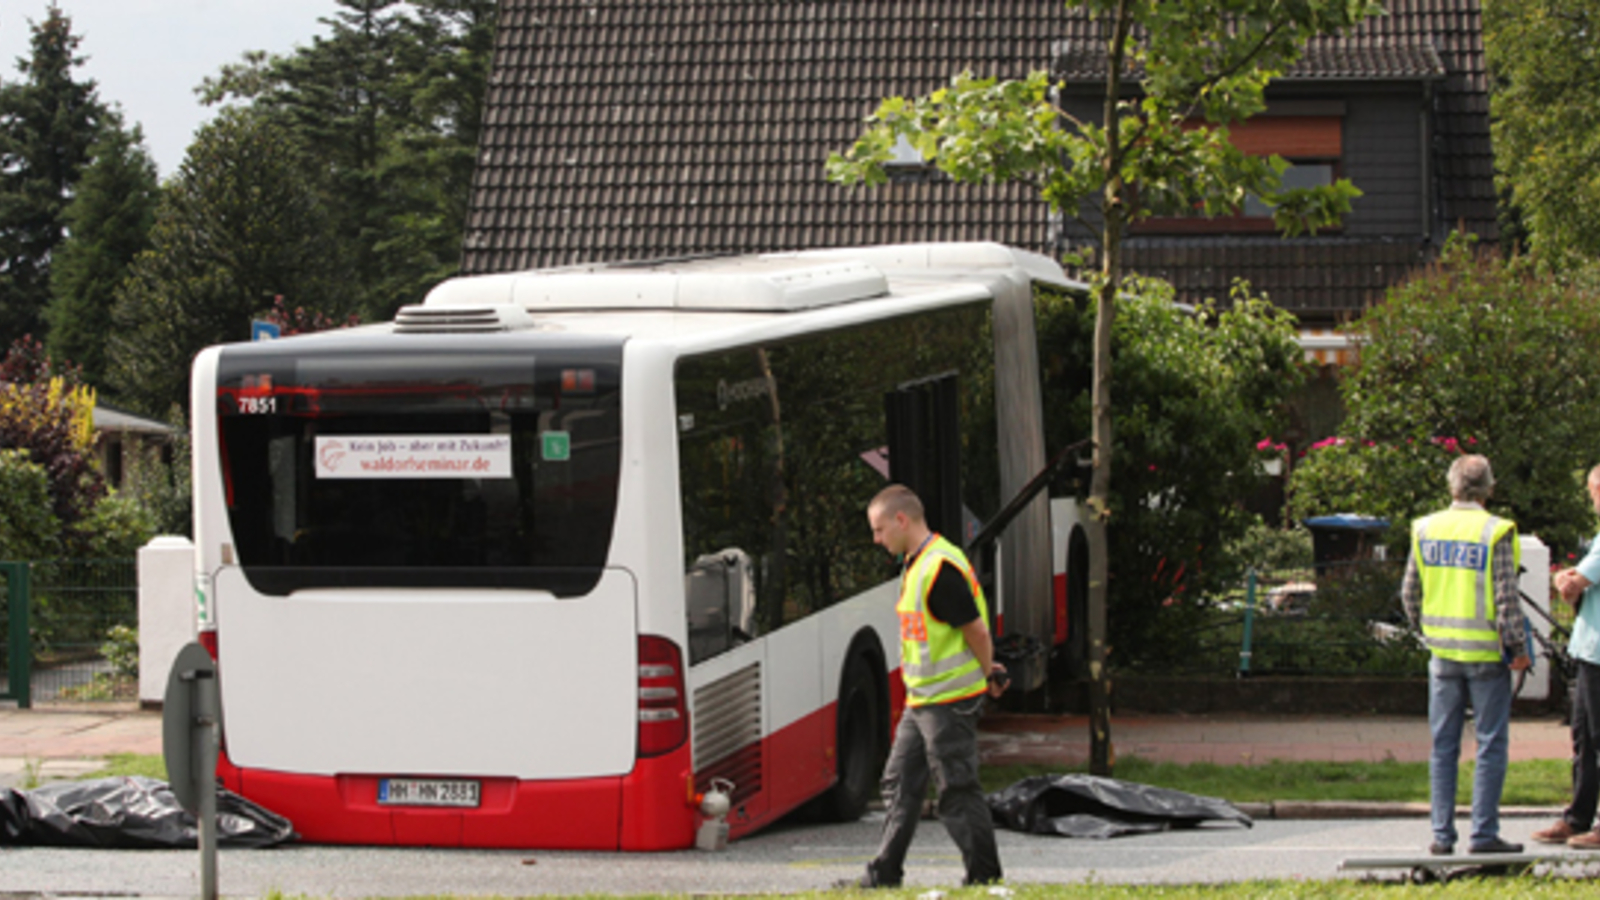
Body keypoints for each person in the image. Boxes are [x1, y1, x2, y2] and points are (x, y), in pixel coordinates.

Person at [845, 484, 1006, 889]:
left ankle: (984, 876)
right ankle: (883, 873)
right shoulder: (919, 563)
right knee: (899, 782)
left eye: (880, 529)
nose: (877, 539)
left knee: (957, 787)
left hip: (949, 699)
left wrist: (988, 674)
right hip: (925, 699)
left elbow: (976, 630)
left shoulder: (938, 569)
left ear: (902, 520)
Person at [1401, 454, 1530, 856]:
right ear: (1489, 488)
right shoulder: (1496, 531)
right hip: (1487, 655)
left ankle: (1441, 836)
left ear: (1452, 487)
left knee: (1443, 746)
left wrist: (1426, 632)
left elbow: (1409, 593)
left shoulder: (1425, 528)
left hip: (1442, 653)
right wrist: (1519, 650)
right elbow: (1507, 599)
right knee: (1490, 743)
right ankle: (1483, 834)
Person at [1531, 464, 1600, 850]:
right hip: (1590, 648)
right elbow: (1574, 579)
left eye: (1592, 493)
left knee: (1596, 738)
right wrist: (1568, 582)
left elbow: (1573, 583)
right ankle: (1577, 817)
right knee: (1584, 739)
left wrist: (1567, 583)